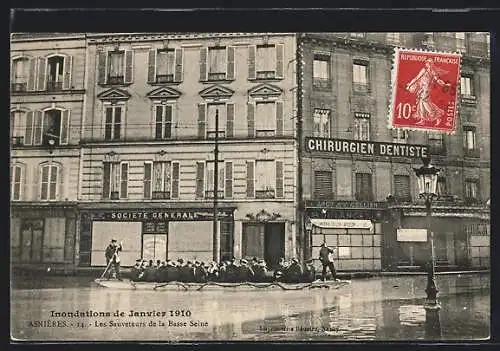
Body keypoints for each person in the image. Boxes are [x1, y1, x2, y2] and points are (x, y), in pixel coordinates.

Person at [404, 57, 451, 126]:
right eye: (428, 62)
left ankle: (436, 117)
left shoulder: (432, 72)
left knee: (425, 103)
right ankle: (423, 120)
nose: (429, 64)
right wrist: (410, 85)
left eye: (430, 63)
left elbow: (437, 80)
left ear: (432, 64)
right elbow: (417, 78)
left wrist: (444, 84)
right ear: (426, 63)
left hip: (426, 90)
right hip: (421, 89)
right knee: (421, 103)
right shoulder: (424, 70)